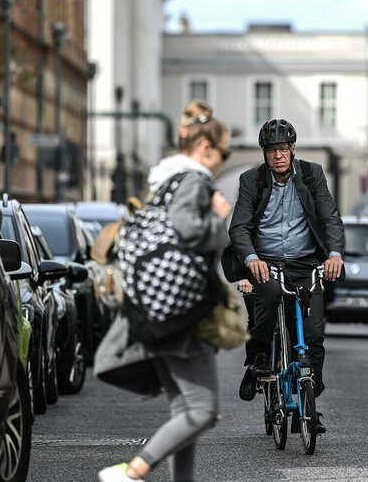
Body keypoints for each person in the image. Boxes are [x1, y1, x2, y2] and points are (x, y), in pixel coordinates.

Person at [99, 115, 232, 482]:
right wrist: (220, 221)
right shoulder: (194, 180)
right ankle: (134, 471)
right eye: (224, 151)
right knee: (204, 411)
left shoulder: (165, 180)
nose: (224, 159)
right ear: (206, 149)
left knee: (184, 412)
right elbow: (188, 229)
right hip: (182, 310)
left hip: (155, 306)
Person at [228, 118, 344, 434]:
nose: (278, 155)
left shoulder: (311, 175)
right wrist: (251, 261)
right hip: (264, 262)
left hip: (304, 264)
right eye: (271, 150)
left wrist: (334, 254)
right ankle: (258, 360)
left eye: (283, 149)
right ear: (265, 154)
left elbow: (330, 218)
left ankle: (309, 406)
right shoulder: (252, 180)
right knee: (265, 297)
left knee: (313, 335)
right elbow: (239, 227)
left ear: (292, 149)